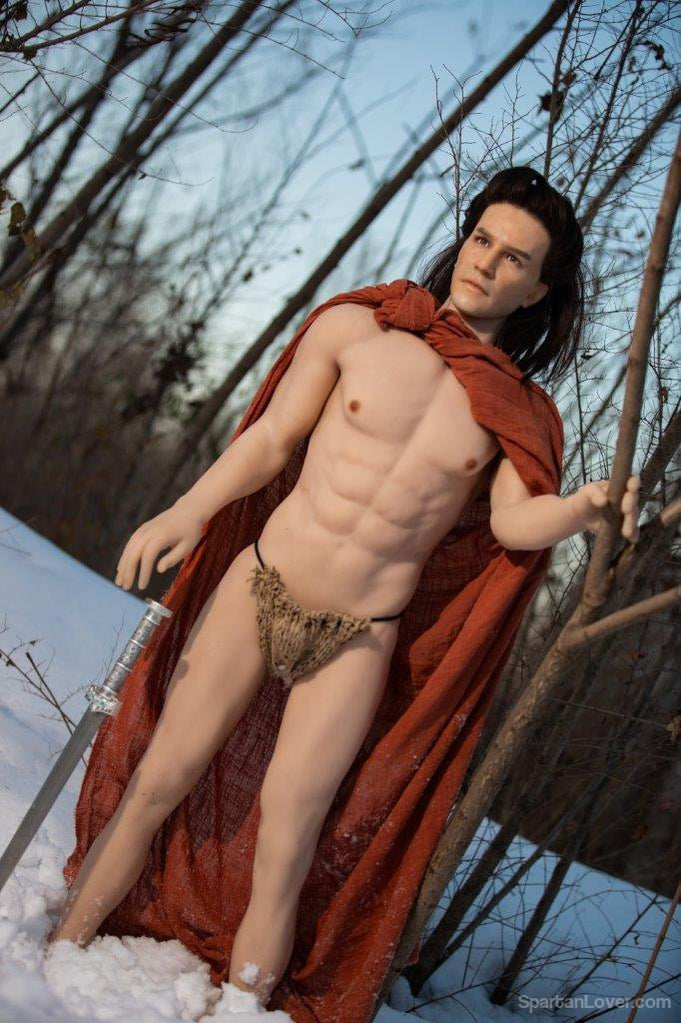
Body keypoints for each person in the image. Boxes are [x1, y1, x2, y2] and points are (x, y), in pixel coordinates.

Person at [47, 166, 640, 1015]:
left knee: (286, 844)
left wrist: (582, 507)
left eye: (514, 258)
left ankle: (243, 1009)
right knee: (157, 780)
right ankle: (55, 955)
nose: (485, 262)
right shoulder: (359, 326)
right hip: (261, 585)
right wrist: (186, 510)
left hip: (358, 633)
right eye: (480, 239)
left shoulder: (513, 412)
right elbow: (271, 441)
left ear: (538, 289)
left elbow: (514, 525)